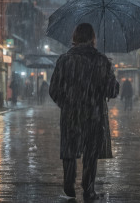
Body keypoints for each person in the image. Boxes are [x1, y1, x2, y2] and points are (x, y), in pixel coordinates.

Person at [49, 23, 119, 200]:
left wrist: (67, 104)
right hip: (94, 115)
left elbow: (54, 90)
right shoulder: (101, 61)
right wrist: (111, 76)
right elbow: (112, 91)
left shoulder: (64, 60)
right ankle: (88, 188)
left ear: (75, 38)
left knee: (69, 151)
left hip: (70, 115)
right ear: (93, 39)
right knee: (91, 153)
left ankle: (69, 185)